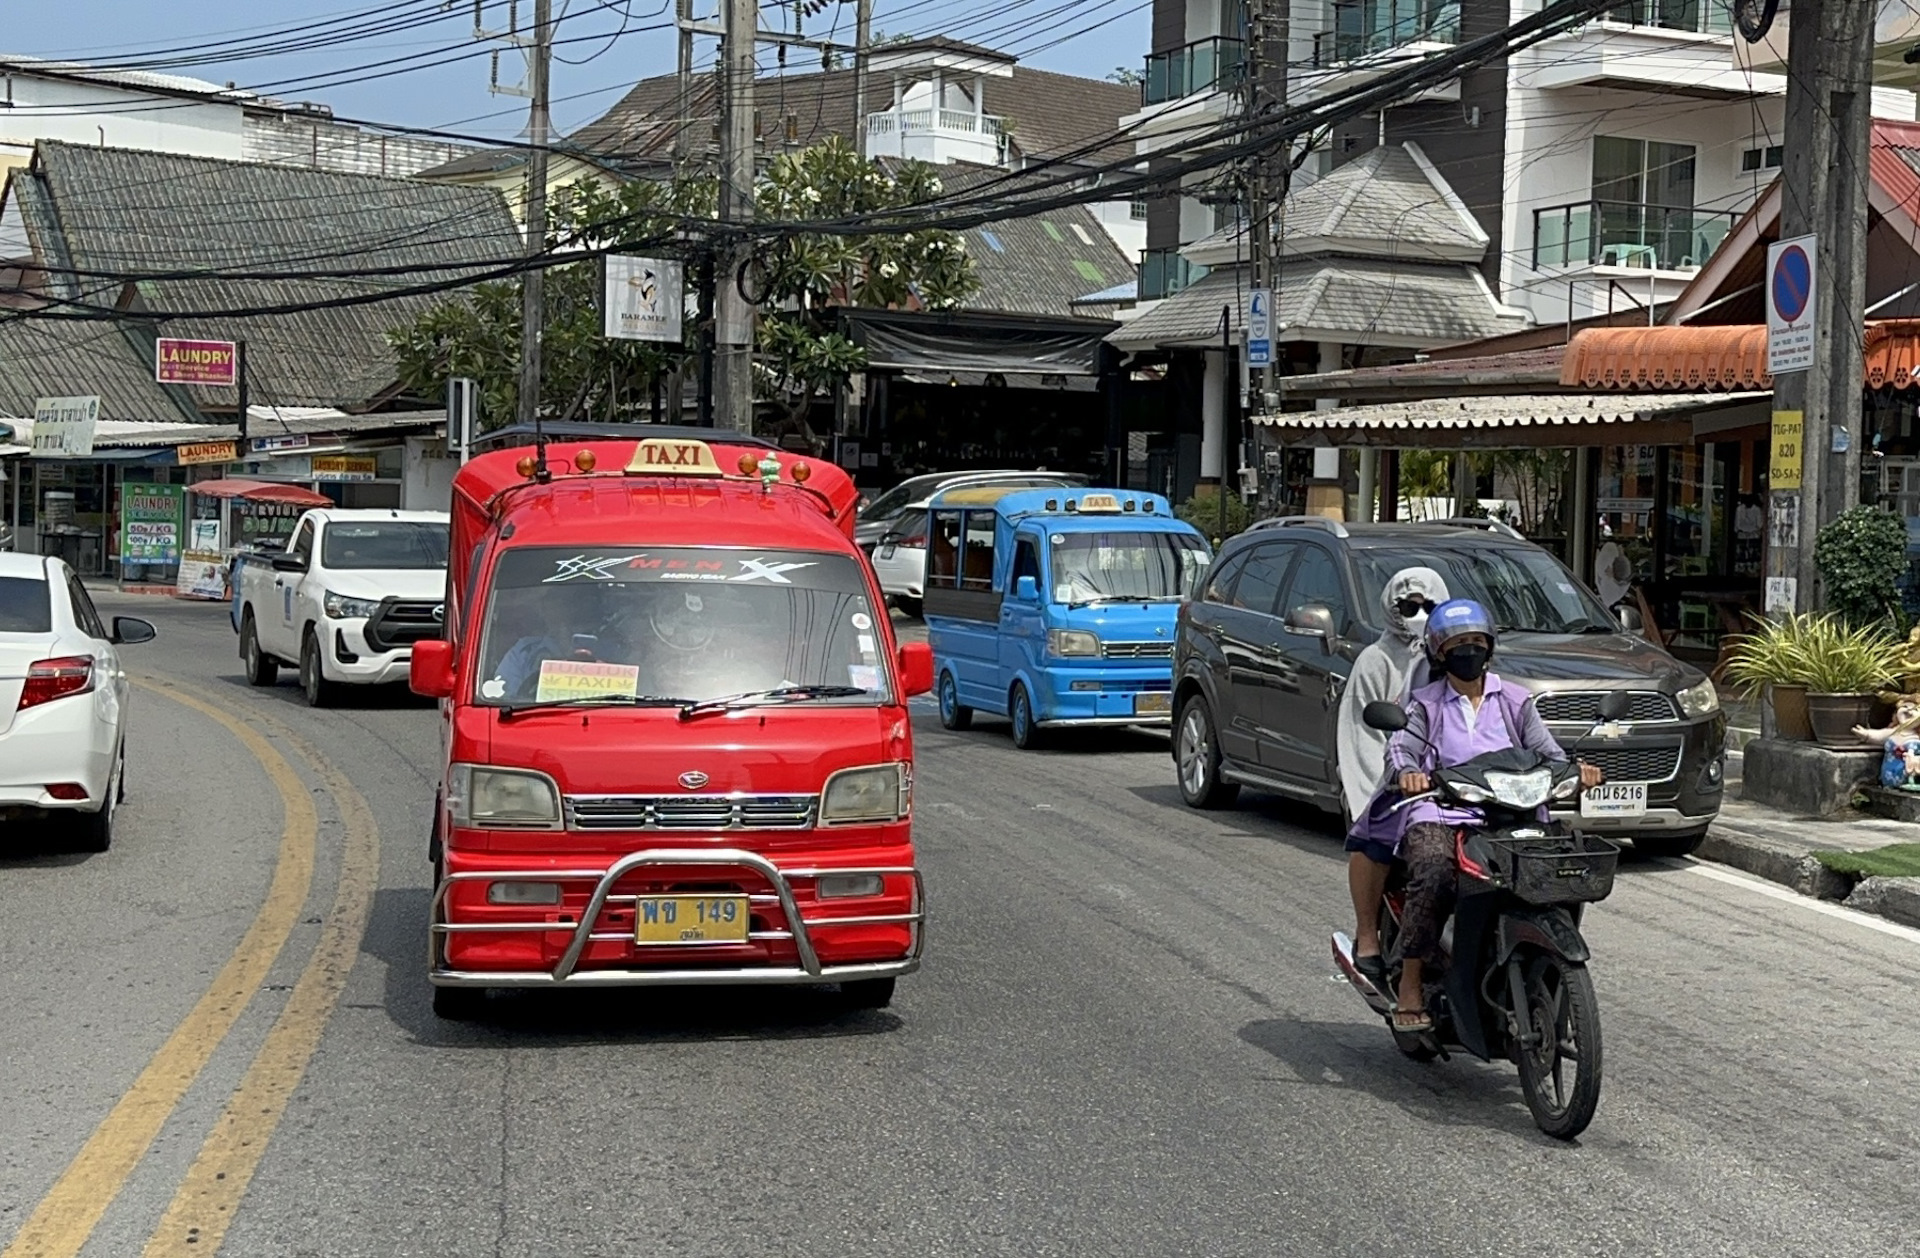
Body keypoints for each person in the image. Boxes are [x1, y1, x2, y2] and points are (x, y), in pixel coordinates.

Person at [1380, 599, 1603, 1033]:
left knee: (1562, 866)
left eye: (1475, 642)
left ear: (1490, 648)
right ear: (1438, 653)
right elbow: (1401, 750)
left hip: (1512, 813)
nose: (1468, 651)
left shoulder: (1516, 701)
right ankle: (1410, 982)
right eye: (1457, 644)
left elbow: (1549, 754)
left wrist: (1577, 773)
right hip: (1445, 812)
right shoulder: (1425, 704)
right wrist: (1409, 773)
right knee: (1432, 872)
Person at [1338, 566, 1451, 990]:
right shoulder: (1375, 662)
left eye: (1430, 607)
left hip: (1453, 782)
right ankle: (1367, 937)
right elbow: (1364, 738)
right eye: (1410, 606)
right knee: (1375, 839)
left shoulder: (1448, 657)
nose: (1420, 615)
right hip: (1397, 781)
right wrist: (1381, 794)